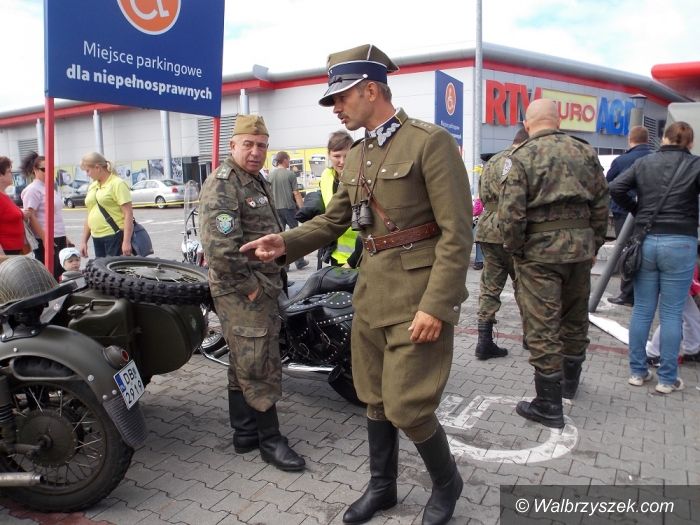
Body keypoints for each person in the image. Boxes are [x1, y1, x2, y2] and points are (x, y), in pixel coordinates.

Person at [241, 44, 471, 525]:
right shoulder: (359, 154)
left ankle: (447, 482)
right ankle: (382, 487)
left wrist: (438, 304)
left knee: (409, 406)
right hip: (371, 293)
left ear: (371, 90)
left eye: (341, 97)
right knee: (375, 398)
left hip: (417, 298)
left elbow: (457, 232)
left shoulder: (428, 142)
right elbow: (333, 221)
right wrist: (283, 242)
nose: (335, 107)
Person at [198, 114, 305, 472]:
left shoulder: (255, 179)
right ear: (232, 145)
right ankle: (270, 441)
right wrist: (253, 290)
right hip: (241, 290)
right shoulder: (223, 184)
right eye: (248, 144)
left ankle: (245, 433)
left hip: (260, 286)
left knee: (244, 358)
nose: (256, 151)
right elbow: (220, 251)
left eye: (262, 145)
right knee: (259, 361)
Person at [499, 99, 609, 428]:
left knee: (543, 326)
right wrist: (595, 243)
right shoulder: (585, 151)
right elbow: (602, 203)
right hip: (580, 250)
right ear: (558, 120)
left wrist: (515, 248)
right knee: (575, 317)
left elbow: (511, 212)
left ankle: (549, 404)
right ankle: (570, 384)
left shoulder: (521, 156)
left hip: (539, 254)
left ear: (527, 124)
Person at [609, 121, 700, 394]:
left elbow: (615, 187)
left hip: (646, 241)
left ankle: (637, 372)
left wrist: (638, 210)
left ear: (663, 139)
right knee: (672, 313)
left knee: (642, 309)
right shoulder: (696, 164)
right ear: (690, 143)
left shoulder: (644, 162)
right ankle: (667, 379)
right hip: (681, 242)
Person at [474, 127, 529, 360]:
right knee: (525, 285)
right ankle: (531, 336)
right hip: (515, 228)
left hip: (488, 228)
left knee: (490, 286)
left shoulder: (493, 161)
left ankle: (484, 342)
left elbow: (481, 193)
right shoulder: (525, 159)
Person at [606, 126, 654, 307]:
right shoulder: (655, 158)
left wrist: (631, 205)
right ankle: (641, 293)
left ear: (629, 139)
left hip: (625, 210)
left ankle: (627, 295)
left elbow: (610, 183)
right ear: (648, 140)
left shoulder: (621, 160)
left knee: (627, 252)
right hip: (649, 211)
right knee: (644, 251)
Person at [21, 151, 71, 279]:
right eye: (44, 169)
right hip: (45, 238)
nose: (48, 172)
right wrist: (45, 238)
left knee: (60, 273)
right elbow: (30, 216)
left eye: (51, 168)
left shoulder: (49, 187)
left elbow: (56, 214)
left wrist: (64, 236)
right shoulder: (32, 189)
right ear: (35, 170)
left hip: (58, 235)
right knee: (48, 275)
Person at [318, 130, 361, 268]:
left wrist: (353, 260)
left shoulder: (363, 177)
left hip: (361, 255)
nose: (342, 161)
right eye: (337, 156)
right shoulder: (326, 176)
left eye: (347, 156)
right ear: (329, 155)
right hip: (336, 254)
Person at [79, 152, 133, 258]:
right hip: (96, 237)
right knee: (100, 268)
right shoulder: (93, 186)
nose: (87, 174)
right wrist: (84, 241)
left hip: (114, 236)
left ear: (97, 168)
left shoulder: (117, 183)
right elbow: (90, 213)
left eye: (88, 170)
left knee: (114, 268)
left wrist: (126, 241)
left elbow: (128, 213)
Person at [268, 151, 308, 270]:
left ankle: (284, 265)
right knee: (295, 236)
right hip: (289, 209)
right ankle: (299, 262)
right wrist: (303, 209)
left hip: (276, 209)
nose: (289, 163)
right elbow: (296, 193)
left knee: (280, 237)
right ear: (284, 160)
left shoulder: (270, 175)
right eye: (288, 160)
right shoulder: (290, 174)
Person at [0, 156, 26, 255]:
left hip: (15, 249)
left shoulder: (5, 195)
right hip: (6, 252)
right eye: (9, 171)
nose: (12, 174)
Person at [471, 196, 484, 270]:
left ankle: (479, 261)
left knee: (478, 238)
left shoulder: (481, 196)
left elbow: (477, 210)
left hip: (483, 222)